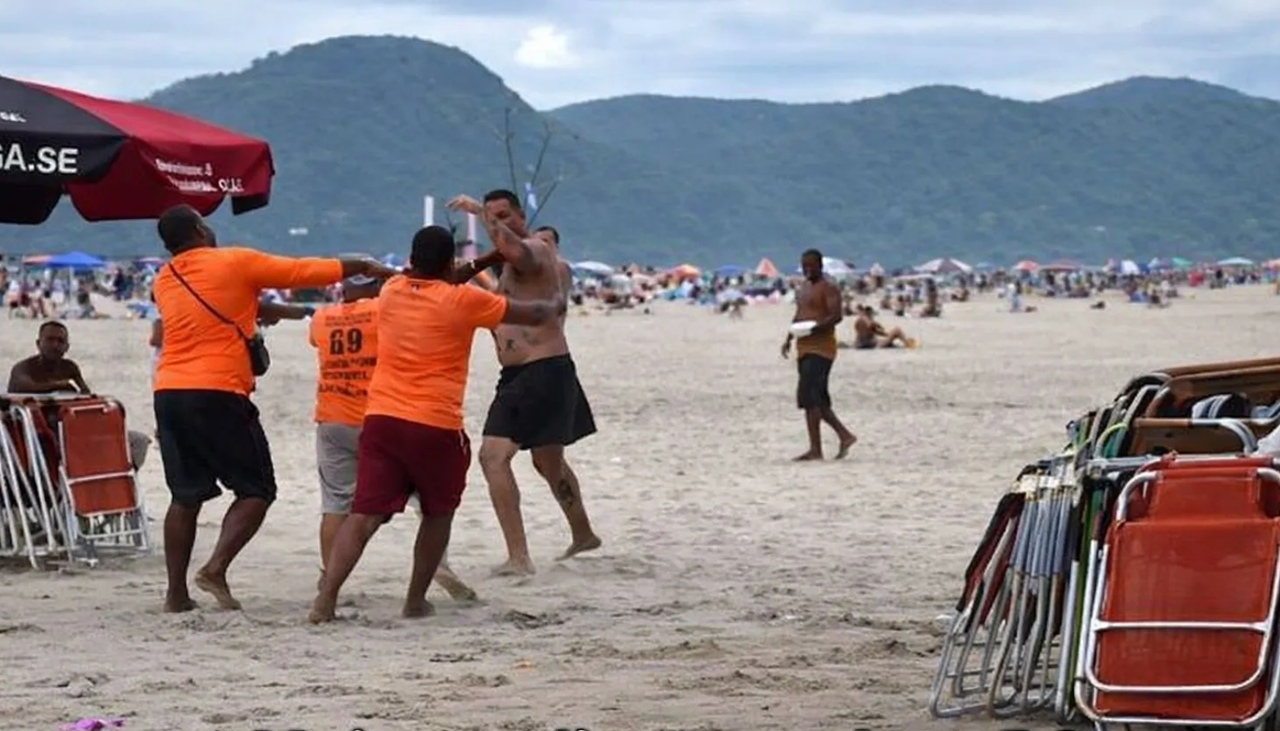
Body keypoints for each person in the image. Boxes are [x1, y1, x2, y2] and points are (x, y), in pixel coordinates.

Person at [308, 225, 566, 623]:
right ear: (449, 263)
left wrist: (477, 263)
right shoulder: (465, 300)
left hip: (381, 420)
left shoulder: (392, 291)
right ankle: (414, 601)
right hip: (435, 424)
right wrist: (554, 294)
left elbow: (424, 278)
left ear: (412, 259)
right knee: (437, 513)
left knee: (362, 516)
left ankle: (325, 602)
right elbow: (532, 315)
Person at [151, 203, 395, 614]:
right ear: (200, 229)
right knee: (257, 490)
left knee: (184, 496)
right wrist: (365, 265)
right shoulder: (234, 261)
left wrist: (293, 313)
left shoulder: (165, 278)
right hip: (219, 391)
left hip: (169, 392)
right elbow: (303, 271)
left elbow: (232, 306)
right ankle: (215, 567)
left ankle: (176, 594)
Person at [307, 265, 491, 602]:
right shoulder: (386, 308)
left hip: (333, 419)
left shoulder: (322, 318)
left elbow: (315, 341)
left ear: (344, 289)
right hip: (382, 415)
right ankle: (439, 565)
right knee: (431, 503)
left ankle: (329, 581)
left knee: (336, 505)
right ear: (375, 286)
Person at [447, 192, 601, 576]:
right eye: (494, 216)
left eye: (504, 215)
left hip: (537, 371)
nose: (499, 223)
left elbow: (517, 250)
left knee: (493, 458)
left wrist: (480, 213)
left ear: (521, 216)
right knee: (548, 460)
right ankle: (583, 533)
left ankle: (518, 557)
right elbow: (500, 304)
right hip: (540, 371)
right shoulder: (509, 266)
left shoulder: (534, 251)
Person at [8, 320, 152, 469]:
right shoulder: (24, 368)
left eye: (60, 341)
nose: (55, 345)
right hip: (36, 432)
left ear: (67, 347)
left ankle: (119, 478)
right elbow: (26, 386)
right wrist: (60, 385)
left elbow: (86, 394)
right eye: (50, 340)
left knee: (139, 441)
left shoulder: (69, 367)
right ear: (39, 343)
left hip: (74, 427)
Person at [781, 249, 857, 461]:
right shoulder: (804, 287)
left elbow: (836, 315)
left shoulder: (828, 287)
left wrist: (815, 328)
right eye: (804, 266)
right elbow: (800, 314)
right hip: (804, 346)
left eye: (811, 265)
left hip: (821, 347)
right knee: (816, 399)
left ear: (820, 265)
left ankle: (819, 447)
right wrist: (789, 337)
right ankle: (842, 437)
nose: (807, 269)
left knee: (809, 396)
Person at [848, 305, 916, 349]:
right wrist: (885, 333)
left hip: (860, 344)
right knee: (897, 330)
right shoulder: (866, 319)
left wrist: (881, 329)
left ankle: (905, 342)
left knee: (890, 339)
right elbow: (870, 326)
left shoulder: (859, 320)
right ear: (869, 312)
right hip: (872, 345)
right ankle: (908, 343)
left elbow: (872, 329)